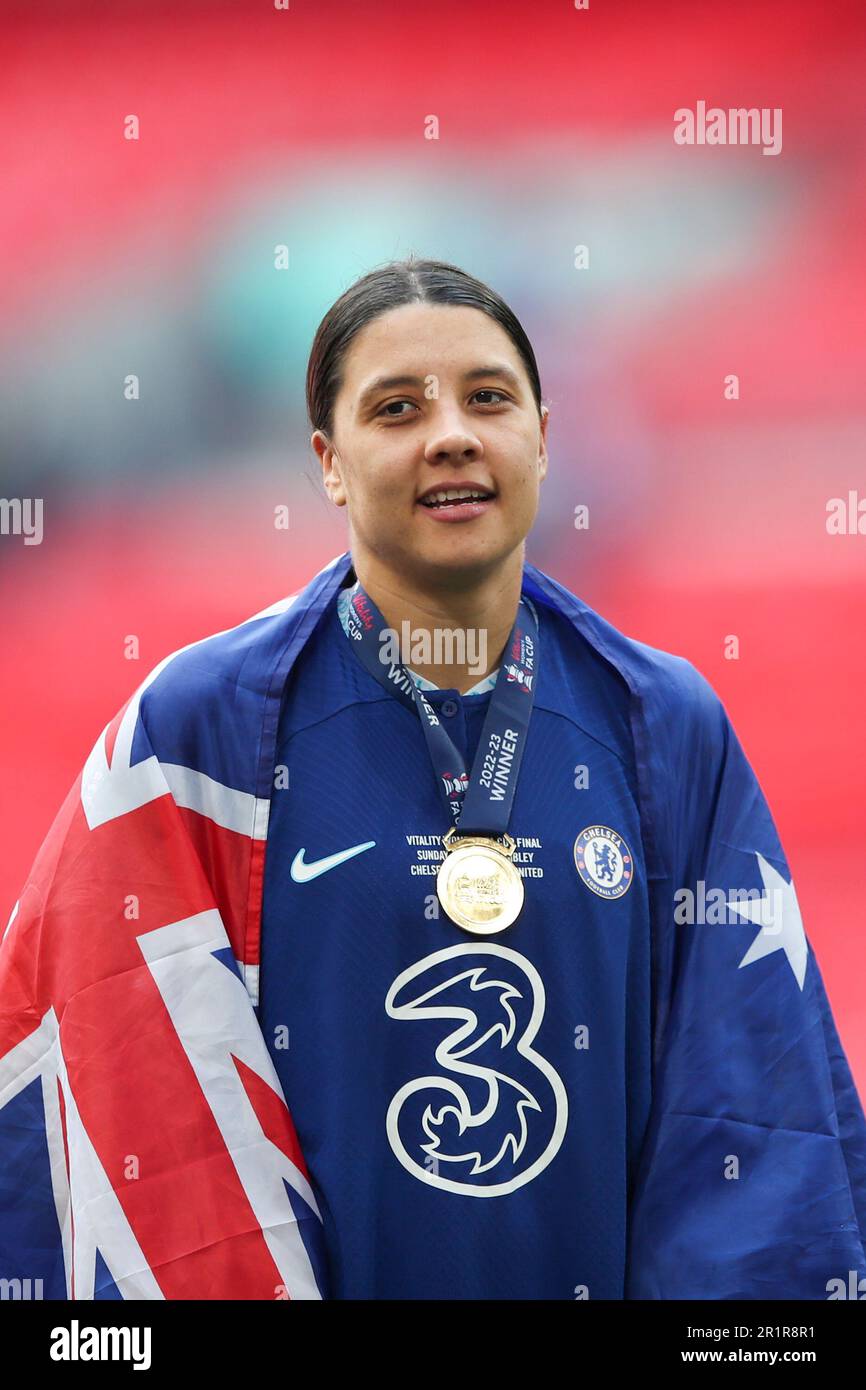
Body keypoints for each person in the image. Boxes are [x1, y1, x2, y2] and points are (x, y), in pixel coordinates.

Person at [1, 257, 864, 1302]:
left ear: (543, 436)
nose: (449, 432)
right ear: (327, 460)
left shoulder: (661, 727)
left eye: (487, 397)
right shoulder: (197, 734)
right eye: (396, 407)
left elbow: (746, 1130)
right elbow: (112, 1083)